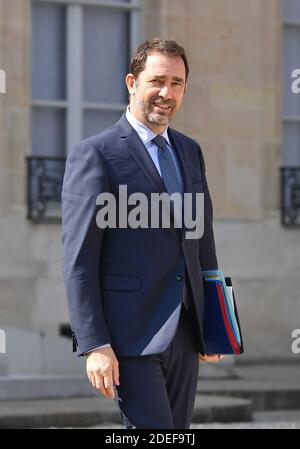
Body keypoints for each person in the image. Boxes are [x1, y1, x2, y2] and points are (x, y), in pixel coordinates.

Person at [61, 38, 224, 429]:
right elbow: (79, 260)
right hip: (129, 336)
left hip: (185, 331)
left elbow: (203, 242)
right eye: (157, 81)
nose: (167, 93)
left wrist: (215, 326)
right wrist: (95, 345)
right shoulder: (96, 154)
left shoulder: (190, 151)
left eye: (177, 83)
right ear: (132, 82)